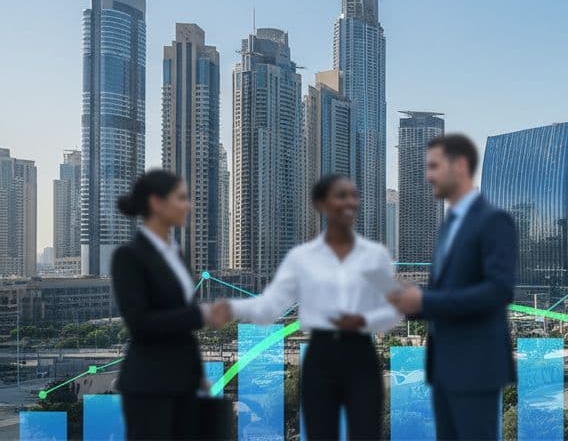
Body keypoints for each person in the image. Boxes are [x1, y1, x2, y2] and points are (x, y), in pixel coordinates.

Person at [209, 175, 400, 441]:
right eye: (341, 196)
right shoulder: (302, 258)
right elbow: (270, 306)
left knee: (366, 433)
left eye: (353, 196)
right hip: (320, 358)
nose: (349, 202)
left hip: (361, 356)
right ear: (321, 204)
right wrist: (231, 307)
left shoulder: (374, 255)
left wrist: (363, 320)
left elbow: (393, 309)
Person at [387, 133, 519, 441]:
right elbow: (444, 293)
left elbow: (498, 291)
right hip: (443, 367)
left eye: (434, 166)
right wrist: (407, 302)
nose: (428, 176)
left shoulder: (494, 221)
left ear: (459, 166)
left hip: (476, 367)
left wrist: (424, 301)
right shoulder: (448, 226)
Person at [111, 169, 216, 440]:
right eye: (181, 198)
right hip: (149, 385)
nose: (188, 206)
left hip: (183, 383)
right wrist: (202, 315)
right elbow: (140, 324)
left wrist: (197, 374)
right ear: (157, 203)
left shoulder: (176, 255)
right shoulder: (128, 257)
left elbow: (181, 325)